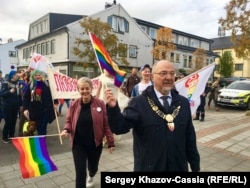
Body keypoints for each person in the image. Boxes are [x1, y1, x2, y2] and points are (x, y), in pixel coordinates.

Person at [104, 60, 200, 172]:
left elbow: (190, 138)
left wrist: (195, 166)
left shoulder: (182, 103)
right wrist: (113, 109)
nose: (168, 77)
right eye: (163, 73)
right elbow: (120, 127)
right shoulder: (139, 103)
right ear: (153, 77)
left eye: (172, 73)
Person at [60, 77, 114, 188]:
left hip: (95, 143)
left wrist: (110, 141)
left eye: (87, 88)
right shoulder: (74, 104)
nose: (84, 91)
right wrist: (66, 129)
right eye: (82, 89)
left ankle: (92, 174)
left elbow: (105, 123)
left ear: (91, 88)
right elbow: (69, 121)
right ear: (78, 90)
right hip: (78, 144)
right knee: (80, 173)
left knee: (93, 167)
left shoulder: (100, 104)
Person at [23, 69, 58, 135]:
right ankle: (40, 139)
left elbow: (53, 94)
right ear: (33, 76)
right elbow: (26, 98)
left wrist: (55, 103)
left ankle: (42, 141)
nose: (37, 76)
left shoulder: (47, 84)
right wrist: (25, 109)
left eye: (39, 75)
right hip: (35, 110)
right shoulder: (31, 85)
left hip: (45, 109)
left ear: (42, 75)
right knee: (38, 126)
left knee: (43, 126)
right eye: (35, 75)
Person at [0, 69, 22, 143]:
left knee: (14, 121)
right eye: (16, 74)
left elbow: (19, 95)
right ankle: (4, 137)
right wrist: (9, 92)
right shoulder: (5, 83)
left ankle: (11, 135)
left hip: (15, 106)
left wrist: (21, 104)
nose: (18, 76)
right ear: (12, 75)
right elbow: (2, 94)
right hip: (7, 106)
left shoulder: (17, 83)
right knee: (8, 121)